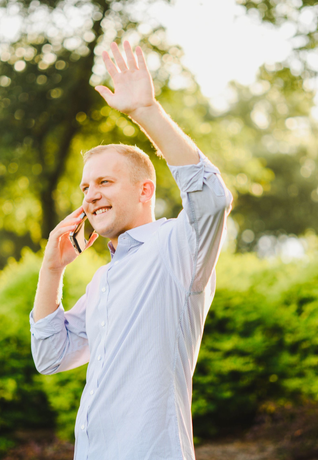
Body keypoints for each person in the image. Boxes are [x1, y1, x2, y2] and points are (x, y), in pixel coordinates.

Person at [30, 41, 233, 460]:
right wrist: (52, 271)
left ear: (145, 190)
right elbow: (52, 356)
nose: (90, 195)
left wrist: (145, 112)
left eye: (105, 182)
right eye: (86, 187)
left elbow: (212, 199)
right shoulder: (103, 278)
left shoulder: (177, 248)